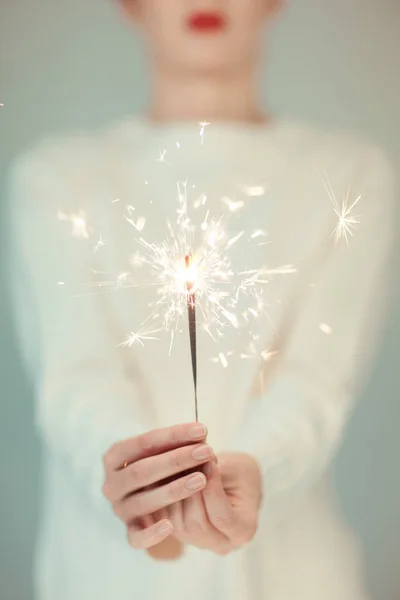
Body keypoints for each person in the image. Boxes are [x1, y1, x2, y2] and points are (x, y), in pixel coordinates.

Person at [7, 1, 396, 599]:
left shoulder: (350, 176)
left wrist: (261, 468)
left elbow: (317, 380)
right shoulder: (57, 178)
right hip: (105, 578)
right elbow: (75, 375)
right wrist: (130, 481)